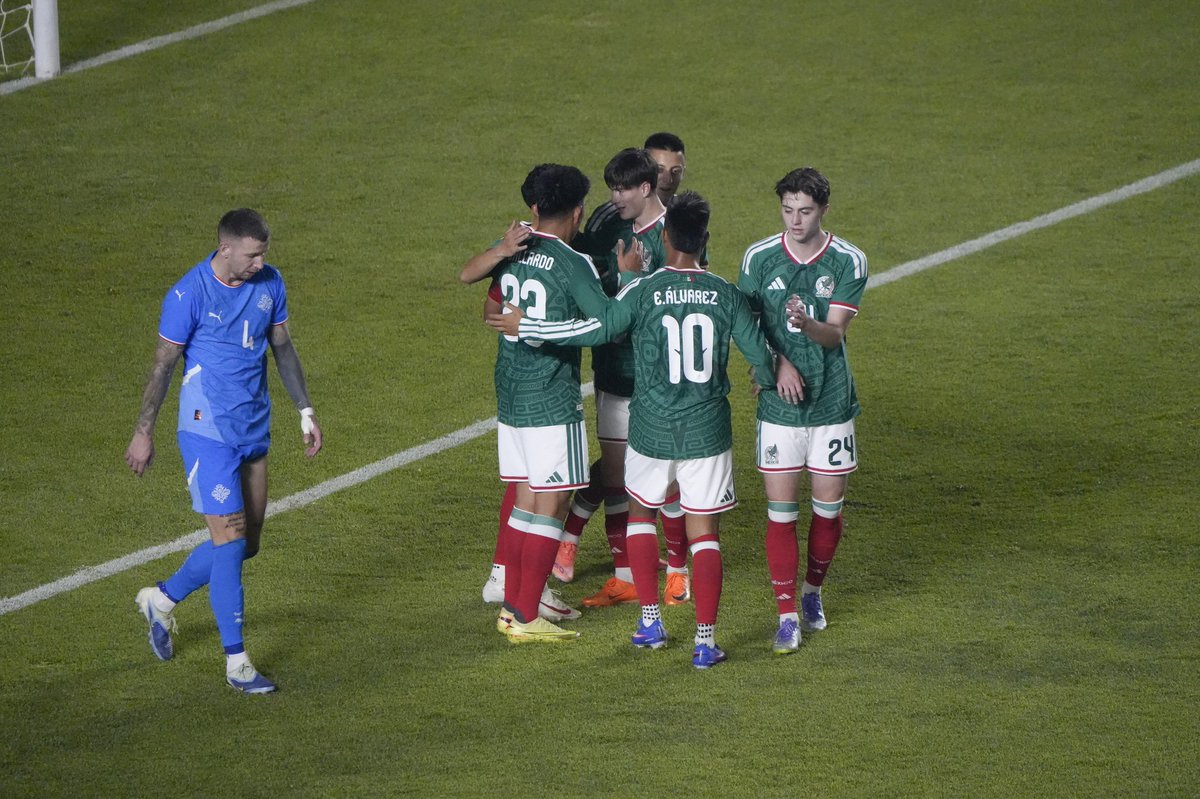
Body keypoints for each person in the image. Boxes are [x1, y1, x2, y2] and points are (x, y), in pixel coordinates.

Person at [490, 192, 776, 669]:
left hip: (650, 427)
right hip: (706, 430)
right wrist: (766, 379)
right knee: (705, 535)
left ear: (664, 239)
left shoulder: (641, 291)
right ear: (705, 240)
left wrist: (529, 325)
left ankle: (650, 623)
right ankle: (705, 641)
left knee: (642, 517)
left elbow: (596, 330)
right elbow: (760, 356)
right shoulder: (726, 293)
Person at [124, 208, 323, 693]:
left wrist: (305, 410)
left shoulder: (270, 284)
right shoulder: (188, 294)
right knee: (230, 543)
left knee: (246, 544)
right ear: (226, 248)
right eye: (254, 255)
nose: (261, 263)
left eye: (264, 254)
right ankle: (237, 663)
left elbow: (283, 347)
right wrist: (143, 431)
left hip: (254, 427)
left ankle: (162, 599)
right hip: (205, 430)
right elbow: (162, 368)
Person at [474, 164, 614, 642]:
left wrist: (519, 322)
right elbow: (606, 325)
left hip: (511, 394)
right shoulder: (574, 263)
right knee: (550, 507)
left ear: (535, 209)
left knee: (526, 503)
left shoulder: (515, 249)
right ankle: (525, 615)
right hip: (551, 399)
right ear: (577, 213)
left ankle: (514, 605)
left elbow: (489, 311)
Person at [737, 167, 868, 654]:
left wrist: (806, 324)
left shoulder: (849, 260)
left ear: (824, 210)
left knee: (828, 512)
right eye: (788, 210)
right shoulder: (759, 257)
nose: (795, 220)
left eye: (805, 211)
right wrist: (774, 364)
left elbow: (835, 334)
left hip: (831, 401)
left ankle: (813, 591)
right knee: (781, 514)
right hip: (779, 406)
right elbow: (746, 327)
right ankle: (787, 614)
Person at [564, 146, 700, 611]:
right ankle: (624, 577)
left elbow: (684, 296)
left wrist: (629, 284)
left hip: (663, 376)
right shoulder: (608, 223)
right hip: (615, 371)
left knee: (671, 478)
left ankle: (678, 572)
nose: (615, 196)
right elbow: (580, 276)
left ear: (645, 188)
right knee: (619, 475)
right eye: (612, 188)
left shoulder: (674, 232)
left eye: (623, 189)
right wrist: (615, 277)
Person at [458, 164, 578, 624]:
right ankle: (520, 601)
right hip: (544, 390)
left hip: (514, 385)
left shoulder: (530, 245)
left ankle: (510, 585)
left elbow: (488, 303)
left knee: (528, 489)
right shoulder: (558, 253)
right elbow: (603, 321)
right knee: (545, 494)